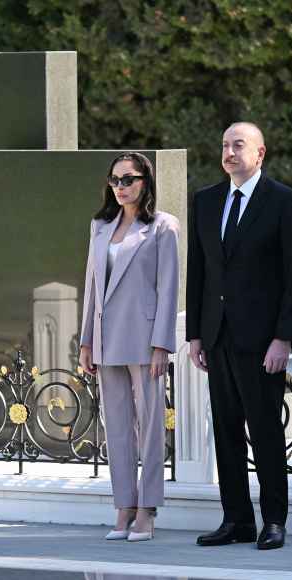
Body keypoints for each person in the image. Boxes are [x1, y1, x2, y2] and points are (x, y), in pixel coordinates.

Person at [185, 122, 292, 550]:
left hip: (261, 340)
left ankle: (273, 520)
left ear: (260, 153)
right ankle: (237, 519)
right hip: (216, 335)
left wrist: (284, 337)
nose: (229, 152)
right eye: (225, 145)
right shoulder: (205, 200)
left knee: (265, 432)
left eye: (238, 145)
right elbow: (199, 272)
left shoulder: (285, 201)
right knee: (225, 432)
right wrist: (195, 335)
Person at [80, 152, 181, 542]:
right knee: (117, 427)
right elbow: (92, 286)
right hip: (106, 339)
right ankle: (124, 506)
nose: (120, 187)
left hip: (145, 338)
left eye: (128, 179)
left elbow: (168, 288)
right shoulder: (99, 226)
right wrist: (86, 340)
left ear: (145, 181)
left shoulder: (163, 226)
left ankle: (147, 509)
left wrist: (162, 346)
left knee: (152, 425)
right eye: (114, 180)